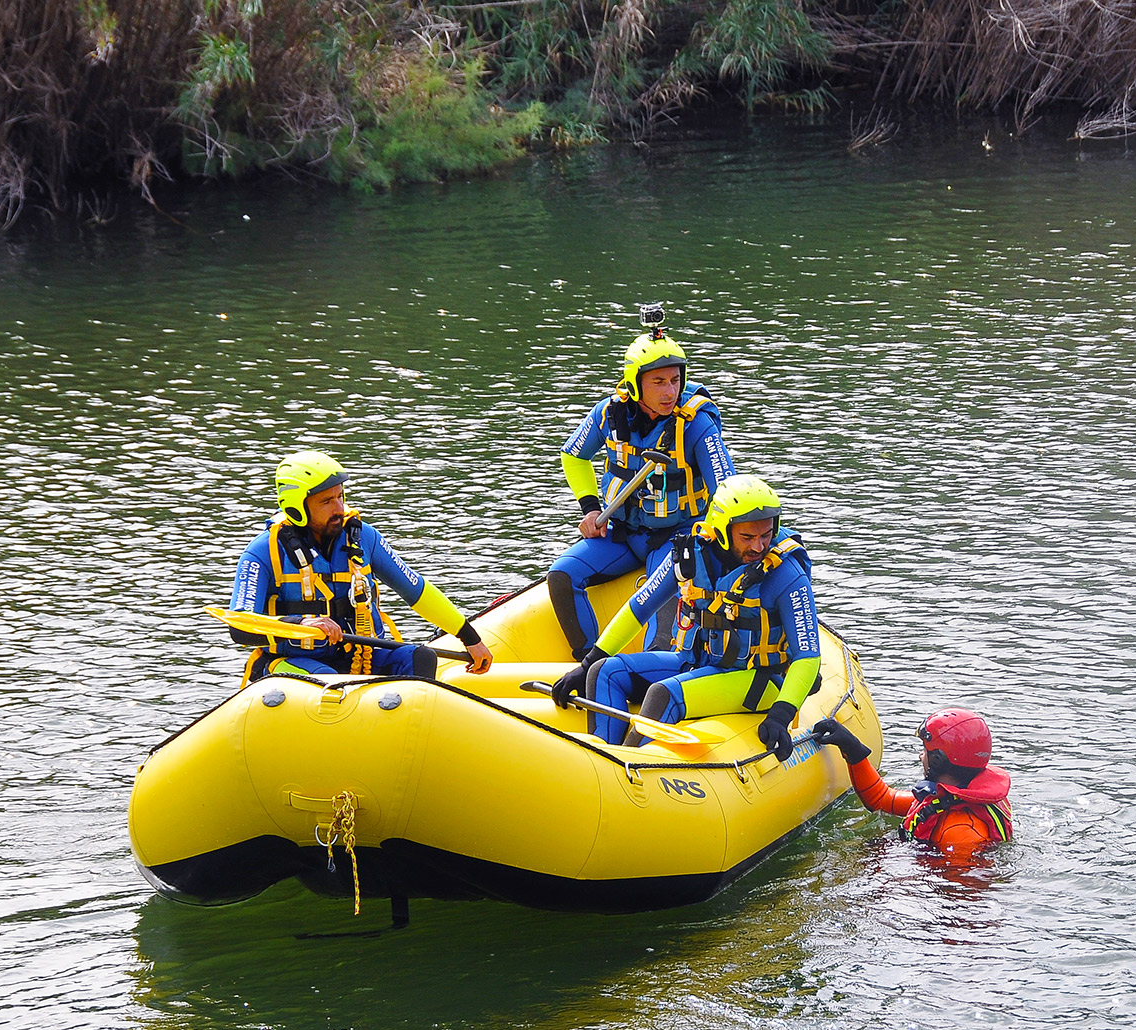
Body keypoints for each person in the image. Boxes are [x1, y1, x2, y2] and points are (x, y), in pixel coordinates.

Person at [550, 475, 816, 759]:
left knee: (663, 694)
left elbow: (808, 655)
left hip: (756, 679)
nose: (759, 547)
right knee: (604, 672)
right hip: (697, 662)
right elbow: (639, 608)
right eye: (748, 537)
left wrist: (781, 714)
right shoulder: (690, 554)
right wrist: (587, 663)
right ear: (722, 530)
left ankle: (623, 766)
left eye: (766, 535)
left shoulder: (786, 573)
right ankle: (600, 756)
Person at [548, 303, 735, 660]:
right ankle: (589, 664)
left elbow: (725, 488)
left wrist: (707, 540)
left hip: (676, 535)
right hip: (621, 532)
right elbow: (573, 455)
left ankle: (646, 675)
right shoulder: (609, 412)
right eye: (658, 382)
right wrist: (590, 508)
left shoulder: (697, 423)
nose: (669, 392)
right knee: (561, 577)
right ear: (635, 383)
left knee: (661, 618)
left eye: (675, 380)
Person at [228, 450, 492, 681]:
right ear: (297, 507)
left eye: (340, 496)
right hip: (294, 662)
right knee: (331, 680)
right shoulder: (262, 552)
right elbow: (239, 627)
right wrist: (300, 624)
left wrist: (471, 639)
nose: (339, 508)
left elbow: (416, 590)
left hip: (357, 657)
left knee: (420, 657)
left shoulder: (364, 537)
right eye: (326, 501)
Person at [811, 708, 1013, 856]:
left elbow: (956, 894)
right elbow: (882, 799)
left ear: (938, 760)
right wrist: (853, 749)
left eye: (925, 750)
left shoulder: (960, 831)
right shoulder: (947, 800)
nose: (920, 756)